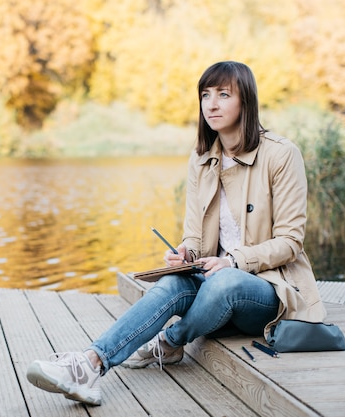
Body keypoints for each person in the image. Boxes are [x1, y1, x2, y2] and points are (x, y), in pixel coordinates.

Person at [25, 61, 327, 406]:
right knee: (171, 283)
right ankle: (89, 364)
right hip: (213, 284)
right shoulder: (201, 159)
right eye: (205, 95)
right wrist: (185, 253)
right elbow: (195, 237)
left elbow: (291, 242)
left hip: (268, 290)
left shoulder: (281, 155)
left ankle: (169, 342)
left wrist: (233, 262)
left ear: (246, 101)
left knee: (224, 282)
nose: (211, 104)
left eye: (223, 95)